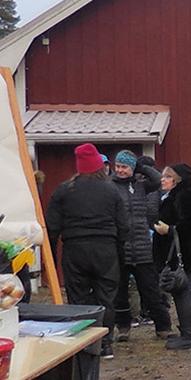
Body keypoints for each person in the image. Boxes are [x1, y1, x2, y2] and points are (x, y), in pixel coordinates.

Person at [46, 143, 129, 358]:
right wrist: (120, 254)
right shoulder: (111, 190)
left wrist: (52, 262)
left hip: (75, 250)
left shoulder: (64, 190)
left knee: (78, 299)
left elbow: (52, 229)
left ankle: (84, 345)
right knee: (106, 299)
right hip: (106, 250)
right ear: (99, 166)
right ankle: (105, 344)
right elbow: (123, 227)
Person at [153, 163, 191, 350]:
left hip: (186, 256)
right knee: (181, 293)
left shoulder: (186, 197)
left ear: (177, 179)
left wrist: (169, 229)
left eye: (167, 176)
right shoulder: (175, 196)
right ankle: (187, 333)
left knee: (182, 293)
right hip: (182, 255)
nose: (162, 179)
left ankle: (189, 334)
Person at [111, 150, 170, 341]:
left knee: (151, 289)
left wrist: (140, 166)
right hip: (120, 248)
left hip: (143, 247)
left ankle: (163, 327)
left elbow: (157, 178)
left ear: (132, 168)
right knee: (120, 292)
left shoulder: (141, 186)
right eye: (118, 166)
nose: (120, 170)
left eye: (124, 167)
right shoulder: (110, 186)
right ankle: (123, 328)